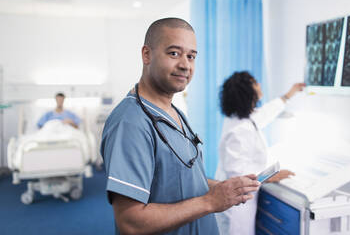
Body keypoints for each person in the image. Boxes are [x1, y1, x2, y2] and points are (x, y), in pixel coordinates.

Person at [100, 18, 260, 235]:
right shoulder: (130, 123)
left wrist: (221, 188)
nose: (185, 64)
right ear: (146, 54)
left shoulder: (175, 113)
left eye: (191, 56)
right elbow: (130, 222)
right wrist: (210, 202)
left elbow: (184, 177)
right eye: (174, 53)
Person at [215, 71, 305, 235]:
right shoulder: (239, 129)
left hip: (241, 199)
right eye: (255, 82)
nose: (260, 84)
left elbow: (265, 113)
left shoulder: (242, 118)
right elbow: (235, 172)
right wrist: (269, 176)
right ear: (247, 91)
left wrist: (289, 94)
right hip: (235, 206)